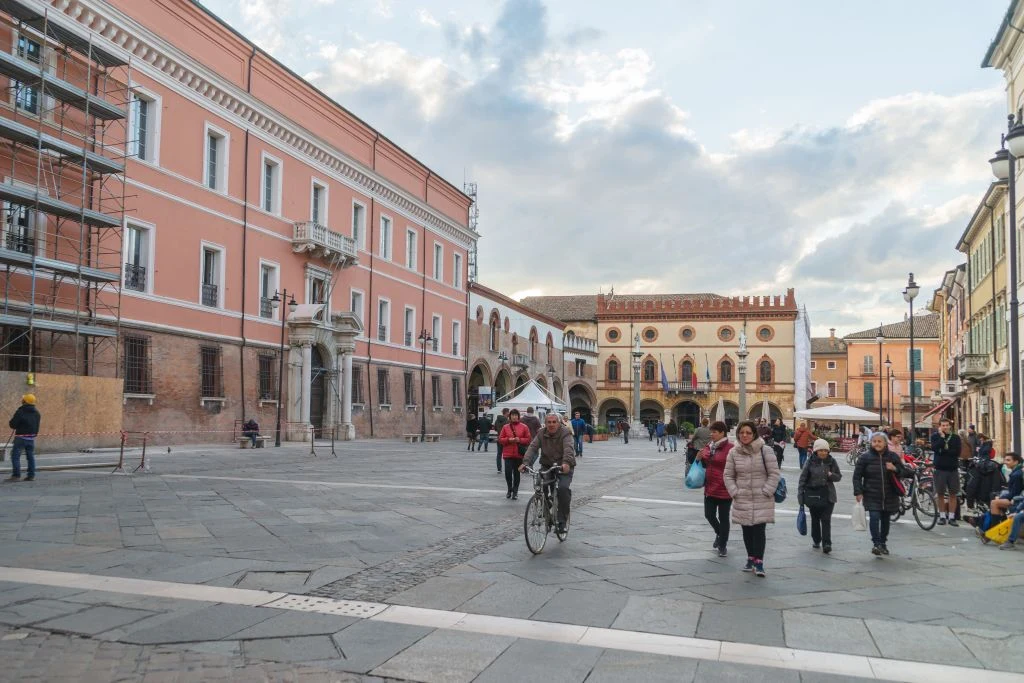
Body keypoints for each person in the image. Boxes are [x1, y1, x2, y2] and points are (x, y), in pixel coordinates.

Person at [724, 420, 780, 577]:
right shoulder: (733, 452)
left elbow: (774, 473)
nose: (745, 435)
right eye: (742, 433)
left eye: (748, 432)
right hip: (742, 497)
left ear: (754, 434)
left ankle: (759, 562)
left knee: (759, 530)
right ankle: (750, 557)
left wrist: (767, 491)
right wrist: (735, 491)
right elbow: (728, 475)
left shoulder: (765, 450)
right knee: (746, 529)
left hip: (761, 497)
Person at [853, 432, 911, 556]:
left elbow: (905, 472)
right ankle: (876, 543)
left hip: (890, 495)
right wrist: (858, 491)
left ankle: (883, 543)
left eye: (880, 441)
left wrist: (894, 469)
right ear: (871, 443)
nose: (877, 444)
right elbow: (857, 476)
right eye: (874, 441)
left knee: (885, 520)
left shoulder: (893, 457)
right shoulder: (865, 457)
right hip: (872, 494)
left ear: (885, 443)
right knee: (874, 518)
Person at [521, 413, 576, 534]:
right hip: (547, 465)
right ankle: (547, 503)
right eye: (549, 422)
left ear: (559, 422)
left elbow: (568, 448)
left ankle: (562, 521)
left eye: (554, 422)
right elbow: (532, 447)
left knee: (563, 489)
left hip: (564, 465)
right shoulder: (541, 433)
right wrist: (525, 462)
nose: (551, 424)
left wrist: (566, 463)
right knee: (540, 483)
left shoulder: (565, 432)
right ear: (545, 423)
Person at [798, 438, 842, 554]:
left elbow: (838, 477)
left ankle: (827, 543)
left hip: (828, 495)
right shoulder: (810, 462)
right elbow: (802, 479)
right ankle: (816, 539)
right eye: (820, 450)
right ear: (815, 451)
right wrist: (800, 496)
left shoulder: (832, 461)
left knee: (826, 519)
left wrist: (831, 475)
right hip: (813, 495)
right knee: (815, 519)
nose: (823, 452)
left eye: (825, 450)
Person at [696, 420, 733, 557]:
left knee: (724, 518)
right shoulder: (708, 446)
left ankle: (722, 545)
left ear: (722, 433)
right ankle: (720, 533)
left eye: (714, 432)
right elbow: (702, 464)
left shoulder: (730, 448)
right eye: (711, 431)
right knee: (709, 515)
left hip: (724, 488)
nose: (711, 434)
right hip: (710, 487)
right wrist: (698, 458)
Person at [930, 418, 963, 526]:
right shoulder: (935, 436)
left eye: (946, 425)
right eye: (943, 425)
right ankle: (942, 516)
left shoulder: (956, 438)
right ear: (940, 426)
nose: (945, 427)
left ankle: (952, 517)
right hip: (940, 469)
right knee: (940, 493)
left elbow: (956, 452)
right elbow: (934, 448)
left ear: (950, 426)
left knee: (953, 494)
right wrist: (942, 438)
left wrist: (943, 451)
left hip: (952, 469)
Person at [498, 409, 531, 500]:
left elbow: (528, 439)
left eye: (516, 415)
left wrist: (519, 440)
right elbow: (500, 439)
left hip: (518, 454)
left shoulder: (524, 427)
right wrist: (509, 440)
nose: (514, 417)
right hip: (508, 454)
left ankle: (515, 491)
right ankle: (509, 489)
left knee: (517, 474)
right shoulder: (505, 427)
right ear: (510, 416)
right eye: (513, 415)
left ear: (518, 416)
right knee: (508, 473)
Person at [6, 394, 40, 482]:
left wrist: (12, 422)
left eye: (23, 399)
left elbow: (13, 424)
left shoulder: (20, 411)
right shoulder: (37, 413)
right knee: (30, 457)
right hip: (31, 438)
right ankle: (31, 475)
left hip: (20, 438)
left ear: (24, 401)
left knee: (15, 456)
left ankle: (16, 476)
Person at [990, 452, 1023, 517]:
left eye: (1008, 460)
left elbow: (1015, 493)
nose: (1005, 462)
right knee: (995, 496)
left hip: (1017, 500)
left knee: (994, 503)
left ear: (1016, 462)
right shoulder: (1016, 472)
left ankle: (995, 525)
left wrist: (1000, 498)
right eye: (1005, 460)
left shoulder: (1016, 475)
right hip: (1016, 497)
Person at [493, 408, 510, 473]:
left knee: (499, 454)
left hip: (499, 438)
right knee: (507, 455)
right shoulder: (507, 421)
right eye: (508, 412)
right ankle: (507, 468)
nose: (509, 413)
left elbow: (495, 428)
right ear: (506, 412)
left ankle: (499, 469)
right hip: (505, 439)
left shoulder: (497, 420)